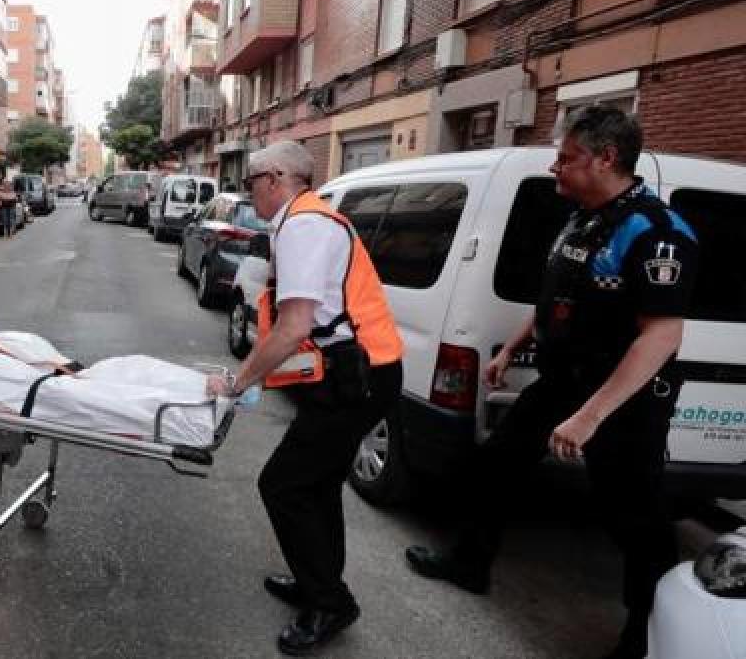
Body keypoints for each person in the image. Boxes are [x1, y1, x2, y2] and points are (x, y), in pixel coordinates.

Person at [402, 106, 699, 659]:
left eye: (566, 157)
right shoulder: (581, 219)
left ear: (606, 158)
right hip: (562, 380)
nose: (554, 167)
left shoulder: (657, 232)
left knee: (636, 518)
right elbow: (556, 299)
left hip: (625, 400)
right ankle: (470, 563)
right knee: (496, 464)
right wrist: (512, 349)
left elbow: (661, 335)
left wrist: (590, 417)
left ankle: (643, 637)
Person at [207, 140, 403, 656]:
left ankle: (330, 603)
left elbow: (293, 327)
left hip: (357, 376)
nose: (248, 191)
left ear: (274, 178)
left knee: (283, 485)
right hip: (353, 373)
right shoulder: (302, 221)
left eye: (250, 181)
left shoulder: (305, 225)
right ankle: (317, 581)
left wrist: (238, 382)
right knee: (317, 486)